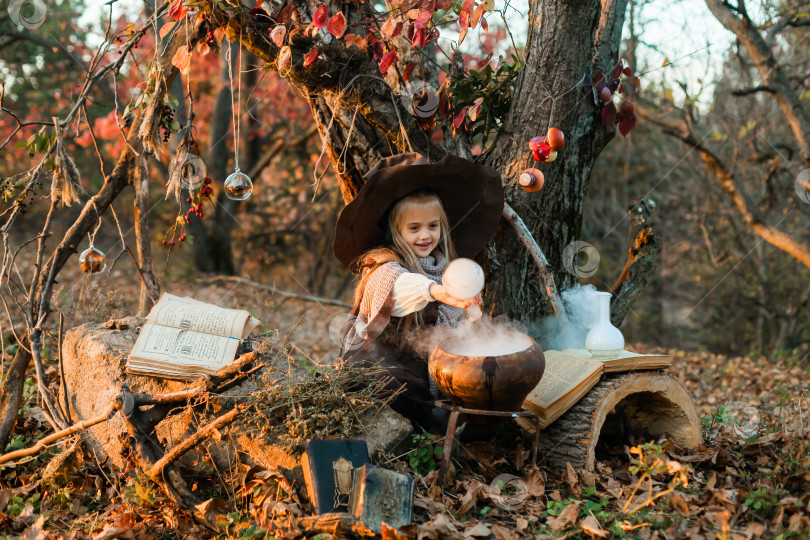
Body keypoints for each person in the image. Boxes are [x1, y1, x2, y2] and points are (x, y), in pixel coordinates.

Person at [332, 153, 504, 431]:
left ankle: (447, 420)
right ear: (397, 230)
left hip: (425, 371)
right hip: (383, 363)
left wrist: (470, 311)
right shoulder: (385, 264)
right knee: (386, 381)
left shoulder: (446, 268)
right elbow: (401, 287)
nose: (425, 236)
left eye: (432, 226)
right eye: (414, 228)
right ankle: (429, 423)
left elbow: (456, 328)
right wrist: (438, 292)